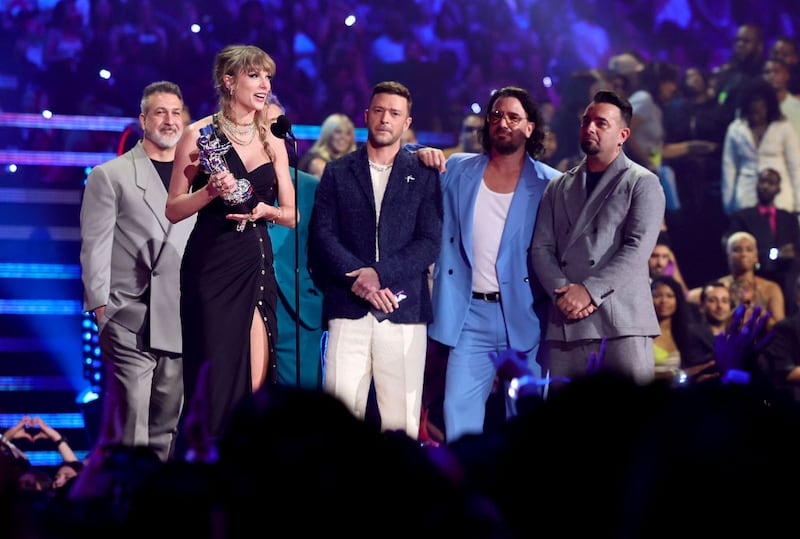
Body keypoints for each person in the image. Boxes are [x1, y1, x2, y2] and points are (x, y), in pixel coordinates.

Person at [165, 45, 296, 448]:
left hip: (254, 265)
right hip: (211, 268)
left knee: (257, 379)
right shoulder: (199, 135)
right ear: (229, 81)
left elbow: (291, 212)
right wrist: (207, 193)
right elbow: (173, 209)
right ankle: (204, 466)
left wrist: (263, 211)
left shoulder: (271, 136)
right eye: (255, 76)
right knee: (215, 374)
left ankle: (250, 468)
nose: (265, 85)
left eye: (268, 77)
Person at [419, 86, 560, 443]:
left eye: (513, 117)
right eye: (496, 115)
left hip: (526, 314)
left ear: (530, 127)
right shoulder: (459, 169)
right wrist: (425, 152)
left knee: (528, 422)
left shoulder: (551, 184)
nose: (503, 122)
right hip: (469, 315)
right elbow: (406, 154)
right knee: (458, 415)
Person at [308, 81, 443, 440]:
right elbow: (322, 236)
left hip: (403, 311)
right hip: (347, 309)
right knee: (337, 421)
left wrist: (379, 274)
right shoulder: (337, 171)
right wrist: (360, 282)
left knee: (400, 420)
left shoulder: (424, 173)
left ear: (406, 122)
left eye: (394, 114)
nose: (385, 119)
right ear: (366, 115)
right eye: (379, 111)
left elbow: (430, 242)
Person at [80, 80, 194, 462]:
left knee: (168, 422)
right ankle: (124, 507)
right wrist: (101, 312)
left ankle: (155, 506)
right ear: (143, 119)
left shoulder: (198, 177)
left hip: (179, 317)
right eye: (160, 112)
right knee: (132, 423)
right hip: (129, 316)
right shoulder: (109, 175)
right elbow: (95, 246)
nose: (169, 120)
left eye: (176, 112)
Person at [530, 90, 666, 392]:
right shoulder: (558, 185)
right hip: (566, 322)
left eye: (601, 123)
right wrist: (562, 294)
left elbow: (637, 249)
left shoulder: (642, 182)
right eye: (586, 121)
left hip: (621, 322)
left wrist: (589, 292)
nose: (590, 128)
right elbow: (541, 248)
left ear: (623, 134)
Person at [726, 167, 800, 316]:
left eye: (771, 182)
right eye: (763, 181)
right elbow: (737, 247)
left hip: (786, 276)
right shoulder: (743, 217)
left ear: (778, 188)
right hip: (758, 272)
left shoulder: (788, 218)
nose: (766, 186)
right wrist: (774, 254)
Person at [688, 231, 785, 331]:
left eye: (749, 249)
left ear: (756, 256)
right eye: (737, 250)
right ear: (728, 256)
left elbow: (780, 328)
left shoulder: (770, 288)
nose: (743, 254)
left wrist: (760, 313)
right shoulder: (720, 287)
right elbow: (688, 296)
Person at [297, 113, 357, 178]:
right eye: (338, 132)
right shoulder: (315, 161)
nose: (343, 137)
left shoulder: (354, 162)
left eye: (348, 133)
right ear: (328, 134)